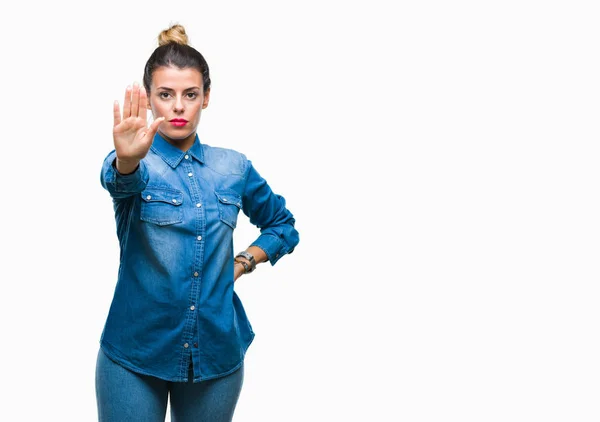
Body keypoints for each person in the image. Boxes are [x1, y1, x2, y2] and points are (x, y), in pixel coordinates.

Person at [95, 23, 299, 422]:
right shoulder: (137, 163)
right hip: (134, 354)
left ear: (206, 98)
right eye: (165, 95)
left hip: (215, 353)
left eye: (190, 95)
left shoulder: (234, 167)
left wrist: (242, 263)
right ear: (150, 99)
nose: (178, 106)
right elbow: (119, 180)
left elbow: (282, 225)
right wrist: (127, 158)